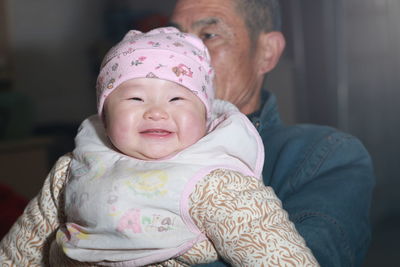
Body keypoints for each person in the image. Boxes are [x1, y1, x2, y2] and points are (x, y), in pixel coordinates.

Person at [0, 27, 318, 266]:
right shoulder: (74, 167)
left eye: (177, 98)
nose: (156, 111)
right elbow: (25, 242)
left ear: (206, 117)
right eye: (135, 98)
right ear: (105, 116)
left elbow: (271, 249)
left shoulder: (214, 181)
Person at [169, 0, 375, 266]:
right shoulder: (123, 145)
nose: (181, 53)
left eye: (209, 36)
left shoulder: (325, 155)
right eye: (174, 37)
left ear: (267, 52)